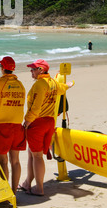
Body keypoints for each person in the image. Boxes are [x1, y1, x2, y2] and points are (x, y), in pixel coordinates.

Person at [21, 59, 74, 196]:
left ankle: (39, 188)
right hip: (49, 122)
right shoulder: (53, 83)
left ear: (41, 70)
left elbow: (36, 107)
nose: (31, 71)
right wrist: (70, 84)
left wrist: (27, 121)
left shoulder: (40, 84)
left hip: (37, 122)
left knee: (37, 156)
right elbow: (63, 88)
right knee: (32, 153)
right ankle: (27, 183)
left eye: (33, 69)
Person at [0, 56, 26, 194]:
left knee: (2, 161)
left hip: (2, 125)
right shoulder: (20, 85)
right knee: (15, 161)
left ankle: (4, 193)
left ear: (3, 68)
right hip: (17, 125)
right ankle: (14, 192)